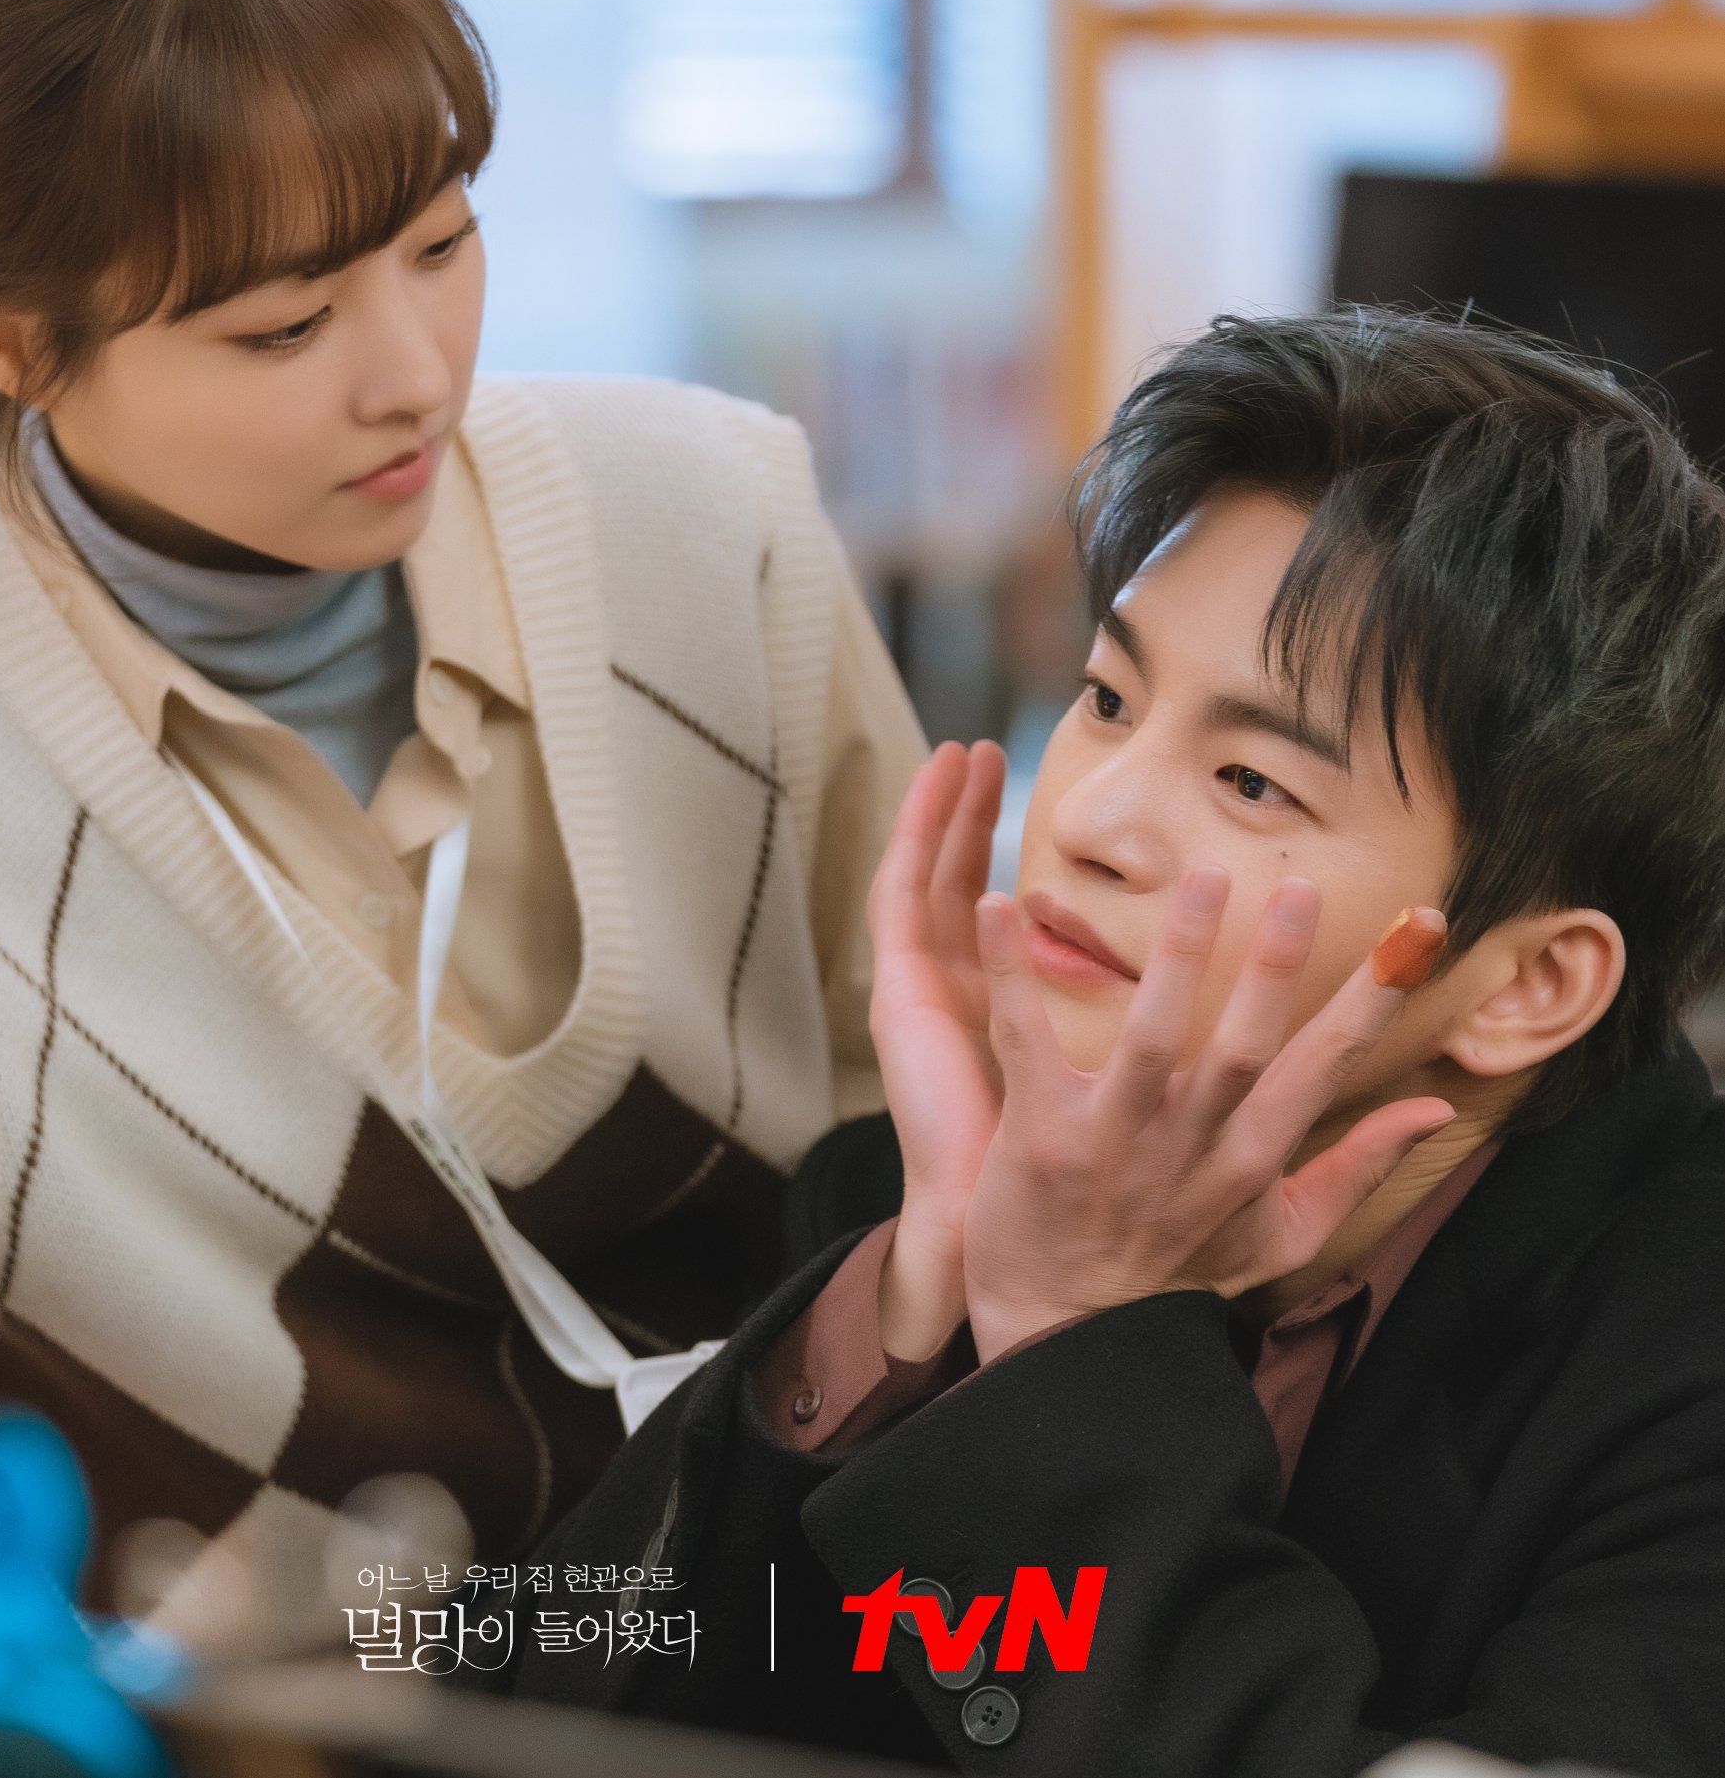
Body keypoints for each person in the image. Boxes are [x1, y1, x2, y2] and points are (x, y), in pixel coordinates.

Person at [0, 0, 924, 1643]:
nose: (413, 377)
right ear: (3, 343)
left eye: (441, 243)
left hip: (816, 1642)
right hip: (260, 1725)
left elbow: (959, 1155)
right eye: (285, 327)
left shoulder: (714, 526)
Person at [492, 312, 1725, 1778]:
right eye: (1105, 698)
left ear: (1526, 987)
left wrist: (1068, 1336)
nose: (1087, 819)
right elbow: (498, 1713)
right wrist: (936, 1275)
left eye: (1251, 779)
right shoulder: (915, 1179)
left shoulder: (1680, 1357)